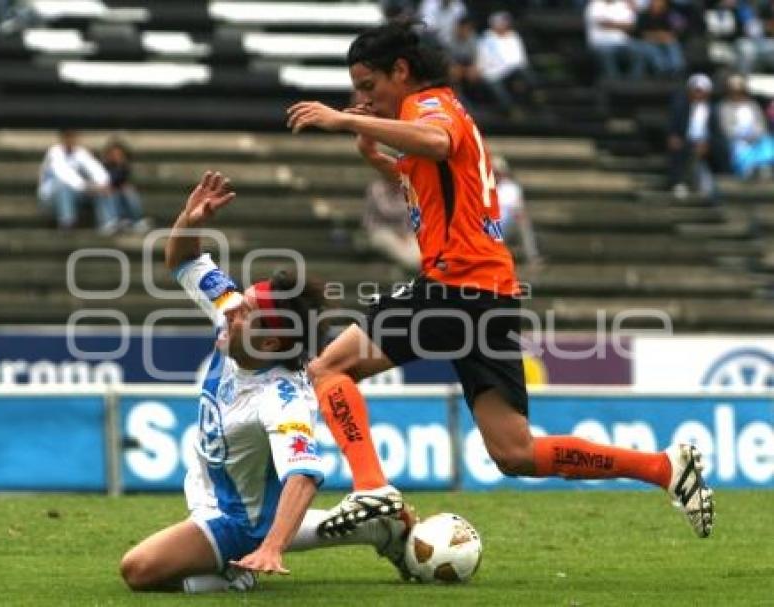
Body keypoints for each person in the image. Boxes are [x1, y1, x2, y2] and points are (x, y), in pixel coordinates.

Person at [286, 20, 714, 541]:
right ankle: (665, 468)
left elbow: (436, 143)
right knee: (516, 453)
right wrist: (378, 158)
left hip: (454, 286)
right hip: (489, 293)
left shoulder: (429, 106)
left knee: (329, 367)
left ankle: (372, 485)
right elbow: (431, 181)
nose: (363, 100)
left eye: (369, 87)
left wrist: (339, 120)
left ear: (402, 71)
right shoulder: (440, 112)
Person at [119, 170, 415, 593]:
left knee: (139, 570)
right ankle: (371, 529)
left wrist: (273, 547)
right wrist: (191, 218)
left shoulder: (281, 397)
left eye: (245, 313)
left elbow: (304, 475)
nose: (230, 309)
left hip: (235, 520)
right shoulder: (234, 311)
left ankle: (234, 571)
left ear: (272, 339)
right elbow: (183, 260)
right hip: (214, 495)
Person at [37, 129, 118, 232]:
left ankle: (108, 223)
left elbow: (96, 170)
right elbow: (66, 176)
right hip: (51, 199)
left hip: (76, 194)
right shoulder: (54, 153)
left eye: (73, 137)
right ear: (63, 139)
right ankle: (67, 222)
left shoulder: (80, 152)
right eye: (68, 137)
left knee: (102, 187)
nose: (71, 140)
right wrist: (89, 187)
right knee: (63, 186)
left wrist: (103, 184)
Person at [667, 73, 727, 200]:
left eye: (701, 91)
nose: (698, 94)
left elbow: (717, 133)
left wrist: (708, 144)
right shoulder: (681, 107)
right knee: (678, 149)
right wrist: (674, 137)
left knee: (718, 149)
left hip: (706, 144)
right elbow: (674, 128)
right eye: (696, 91)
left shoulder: (712, 110)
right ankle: (679, 183)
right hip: (686, 141)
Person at [475, 11, 537, 116]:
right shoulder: (486, 38)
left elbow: (521, 59)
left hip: (512, 71)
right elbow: (482, 60)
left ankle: (536, 93)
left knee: (525, 74)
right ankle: (511, 110)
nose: (504, 25)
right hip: (494, 73)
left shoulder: (513, 36)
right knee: (497, 87)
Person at [719, 73, 774, 179]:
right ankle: (748, 171)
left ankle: (765, 168)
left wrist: (755, 134)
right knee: (741, 150)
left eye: (740, 92)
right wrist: (742, 135)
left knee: (768, 143)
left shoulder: (753, 105)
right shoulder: (724, 107)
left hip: (756, 137)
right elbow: (726, 128)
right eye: (734, 92)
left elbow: (761, 124)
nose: (737, 95)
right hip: (737, 139)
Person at [363, 176, 422, 273]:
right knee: (409, 258)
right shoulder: (377, 188)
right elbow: (386, 210)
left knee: (419, 253)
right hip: (379, 231)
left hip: (405, 232)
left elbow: (413, 215)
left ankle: (403, 270)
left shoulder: (408, 189)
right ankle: (403, 270)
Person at [494, 156, 542, 267]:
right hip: (490, 225)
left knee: (522, 220)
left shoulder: (511, 187)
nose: (496, 175)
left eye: (497, 172)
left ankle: (532, 257)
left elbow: (518, 206)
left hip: (508, 223)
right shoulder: (485, 187)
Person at [584, 0, 644, 80]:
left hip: (622, 43)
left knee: (639, 50)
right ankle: (614, 82)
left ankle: (634, 81)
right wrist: (621, 25)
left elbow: (631, 26)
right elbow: (603, 23)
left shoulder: (621, 4)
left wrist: (612, 24)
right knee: (607, 54)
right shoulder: (595, 5)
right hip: (600, 44)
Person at [101, 138, 151, 233]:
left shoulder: (124, 167)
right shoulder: (102, 167)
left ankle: (136, 221)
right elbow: (108, 181)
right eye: (114, 154)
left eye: (119, 154)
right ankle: (113, 221)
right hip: (109, 194)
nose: (116, 157)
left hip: (122, 196)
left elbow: (121, 180)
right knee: (110, 193)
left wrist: (121, 165)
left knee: (128, 191)